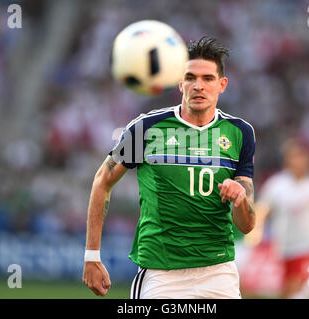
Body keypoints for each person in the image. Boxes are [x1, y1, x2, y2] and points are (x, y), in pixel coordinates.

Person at [82, 37, 256, 299]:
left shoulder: (240, 133)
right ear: (180, 82)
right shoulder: (146, 128)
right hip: (162, 274)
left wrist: (240, 198)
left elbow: (247, 225)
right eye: (190, 77)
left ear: (222, 85)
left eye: (208, 78)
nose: (198, 86)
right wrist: (92, 256)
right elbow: (102, 182)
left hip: (218, 272)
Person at [245, 138, 309, 299]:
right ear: (287, 160)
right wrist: (255, 233)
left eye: (302, 158)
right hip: (284, 248)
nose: (299, 162)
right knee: (290, 289)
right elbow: (262, 210)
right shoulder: (276, 185)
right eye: (295, 157)